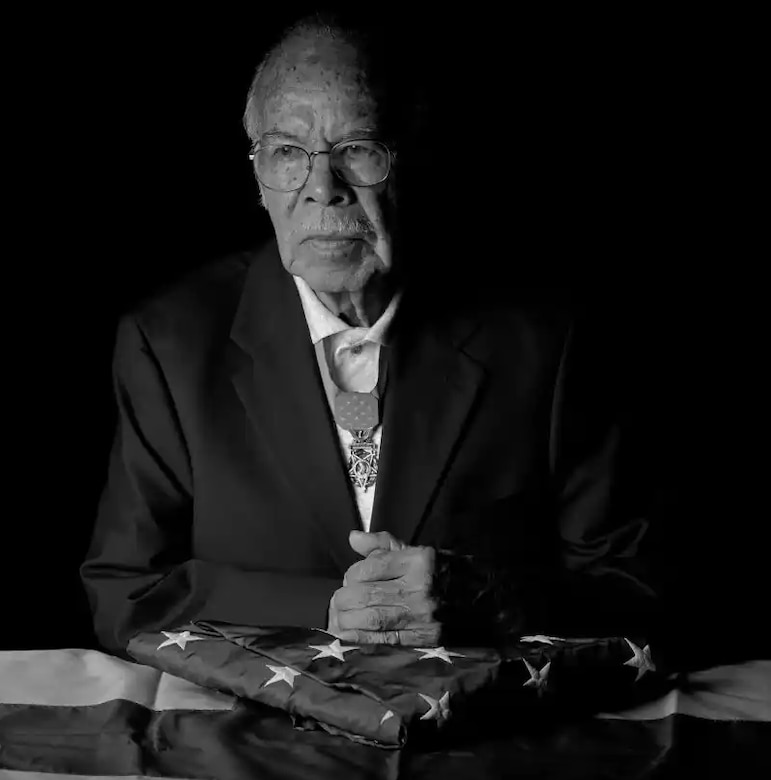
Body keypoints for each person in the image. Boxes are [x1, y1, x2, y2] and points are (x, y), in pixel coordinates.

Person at [81, 12, 656, 658]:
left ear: (411, 158)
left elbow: (635, 590)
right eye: (288, 154)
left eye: (357, 149)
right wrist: (328, 610)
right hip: (257, 743)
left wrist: (494, 599)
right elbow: (125, 593)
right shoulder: (168, 345)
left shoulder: (545, 344)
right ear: (257, 173)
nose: (322, 190)